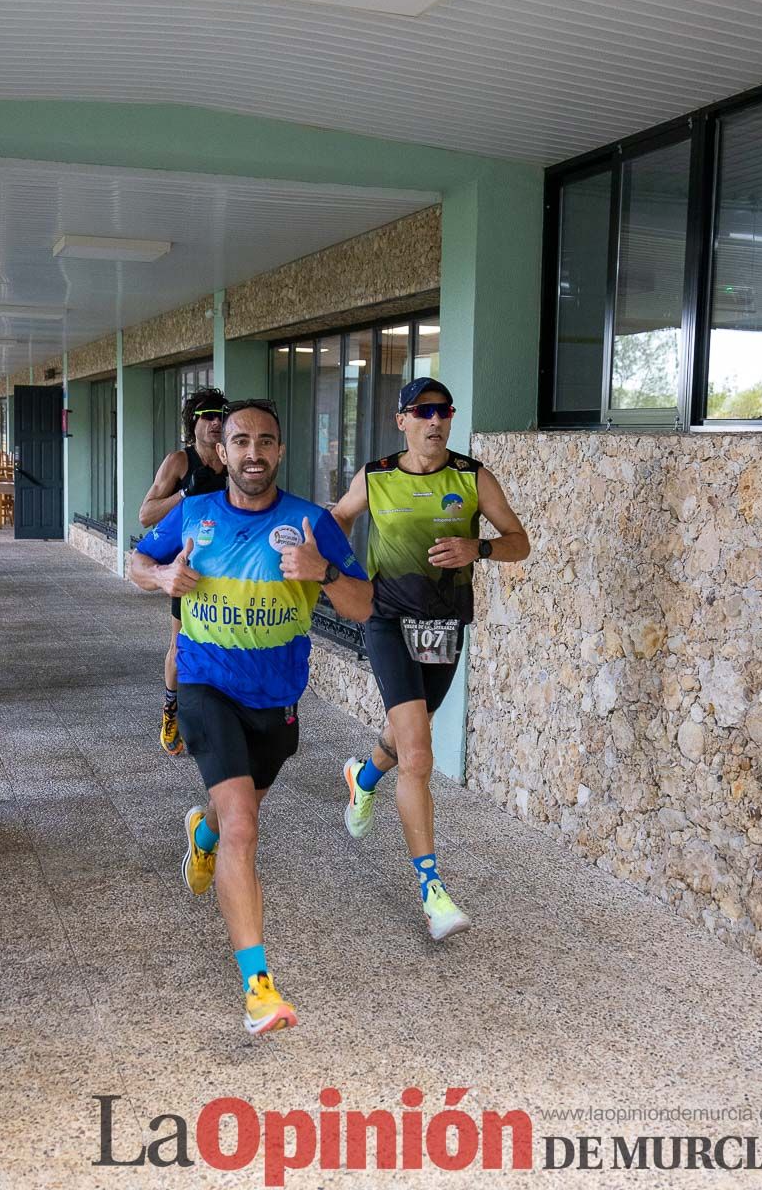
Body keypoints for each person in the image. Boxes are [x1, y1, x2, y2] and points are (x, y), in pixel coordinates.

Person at [131, 400, 372, 1034]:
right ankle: (260, 987)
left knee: (239, 810)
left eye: (266, 440)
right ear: (224, 451)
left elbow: (364, 606)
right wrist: (161, 579)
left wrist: (322, 575)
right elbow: (136, 562)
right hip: (206, 686)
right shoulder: (194, 512)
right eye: (241, 440)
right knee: (244, 827)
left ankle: (200, 834)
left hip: (275, 703)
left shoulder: (313, 523)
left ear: (281, 450)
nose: (253, 452)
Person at [332, 377, 529, 941]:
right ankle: (432, 892)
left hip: (444, 626)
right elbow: (339, 517)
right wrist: (338, 568)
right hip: (388, 620)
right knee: (418, 752)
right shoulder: (376, 476)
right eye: (423, 412)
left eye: (443, 412)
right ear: (402, 421)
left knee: (405, 738)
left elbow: (520, 540)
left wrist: (480, 547)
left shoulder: (471, 477)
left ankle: (362, 775)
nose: (435, 422)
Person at [139, 389, 228, 756]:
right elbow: (145, 514)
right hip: (188, 570)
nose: (216, 422)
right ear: (193, 422)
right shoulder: (179, 461)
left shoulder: (232, 458)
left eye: (222, 415)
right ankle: (170, 708)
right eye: (208, 415)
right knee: (181, 644)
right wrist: (182, 496)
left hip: (229, 569)